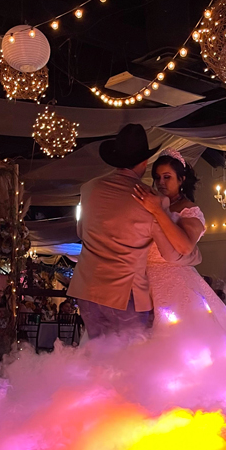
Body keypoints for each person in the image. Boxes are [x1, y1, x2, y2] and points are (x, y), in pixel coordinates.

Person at [132, 150, 226, 353]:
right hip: (141, 280)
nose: (161, 182)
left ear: (182, 179)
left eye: (167, 177)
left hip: (174, 281)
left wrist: (158, 211)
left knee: (178, 345)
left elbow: (185, 246)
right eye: (157, 177)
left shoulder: (189, 210)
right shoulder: (152, 204)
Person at [68, 123, 162, 339]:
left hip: (87, 289)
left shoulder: (88, 188)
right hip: (124, 293)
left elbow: (81, 231)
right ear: (145, 162)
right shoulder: (151, 198)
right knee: (130, 363)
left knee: (99, 358)